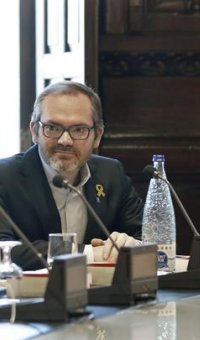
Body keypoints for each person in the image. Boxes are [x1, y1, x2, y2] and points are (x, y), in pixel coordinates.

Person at [0, 81, 143, 270]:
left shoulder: (111, 174)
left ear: (97, 136)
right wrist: (88, 253)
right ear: (35, 131)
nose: (65, 140)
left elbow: (148, 237)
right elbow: (4, 251)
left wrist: (131, 244)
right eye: (52, 128)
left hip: (100, 296)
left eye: (78, 130)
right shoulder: (5, 177)